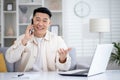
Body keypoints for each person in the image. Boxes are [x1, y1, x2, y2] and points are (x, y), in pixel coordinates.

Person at [5, 7, 72, 72]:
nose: (40, 24)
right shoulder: (23, 38)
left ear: (49, 23)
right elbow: (10, 59)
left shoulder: (58, 40)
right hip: (26, 77)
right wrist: (25, 40)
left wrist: (62, 60)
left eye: (44, 21)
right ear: (32, 21)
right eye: (37, 20)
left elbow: (65, 68)